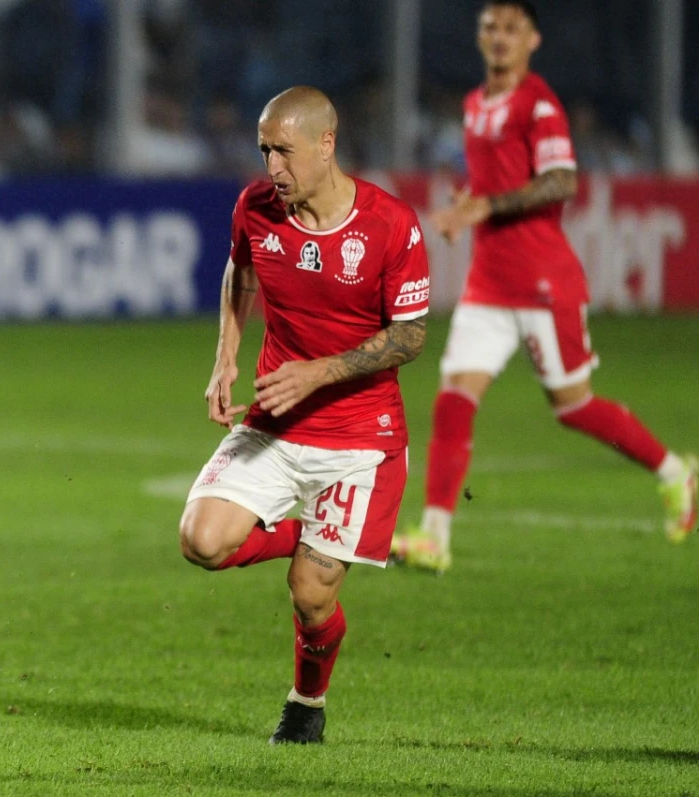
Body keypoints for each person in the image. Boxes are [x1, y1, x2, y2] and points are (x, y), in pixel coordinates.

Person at [390, 0, 697, 574]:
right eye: (490, 27)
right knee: (454, 395)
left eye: (512, 28)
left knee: (572, 405)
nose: (500, 37)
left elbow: (561, 181)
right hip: (490, 282)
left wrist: (486, 205)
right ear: (479, 37)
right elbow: (495, 181)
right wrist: (470, 204)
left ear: (534, 39)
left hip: (542, 282)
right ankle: (434, 536)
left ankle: (677, 473)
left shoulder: (540, 105)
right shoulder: (475, 104)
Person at [180, 86, 429, 744]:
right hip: (275, 423)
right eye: (264, 150)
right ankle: (311, 532)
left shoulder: (389, 224)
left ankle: (306, 704)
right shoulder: (257, 207)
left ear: (326, 145)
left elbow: (410, 335)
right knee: (201, 541)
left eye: (284, 151)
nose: (272, 167)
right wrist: (226, 355)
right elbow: (241, 270)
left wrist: (320, 370)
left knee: (311, 594)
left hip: (360, 441)